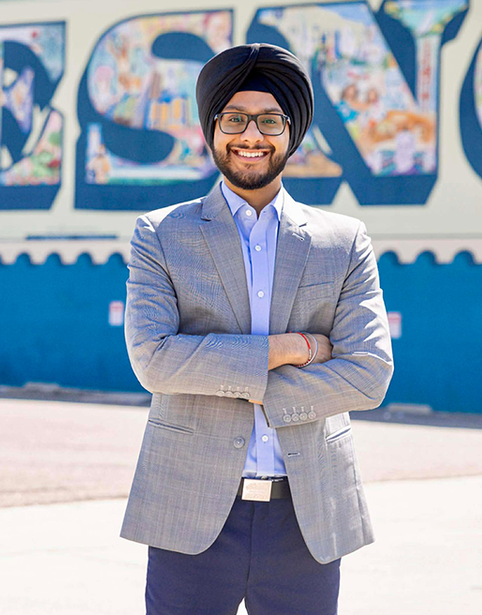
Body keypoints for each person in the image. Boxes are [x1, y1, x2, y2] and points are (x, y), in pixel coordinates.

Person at [121, 43, 394, 615]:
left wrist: (223, 372)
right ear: (210, 127)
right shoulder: (161, 235)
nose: (252, 135)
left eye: (270, 120)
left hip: (307, 514)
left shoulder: (342, 241)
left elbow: (369, 376)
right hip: (188, 511)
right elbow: (153, 362)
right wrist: (290, 350)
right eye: (235, 119)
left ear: (291, 133)